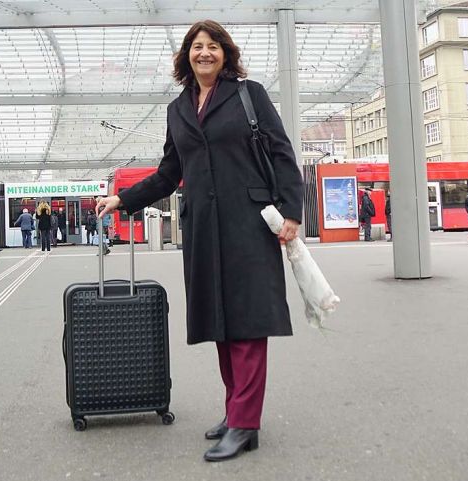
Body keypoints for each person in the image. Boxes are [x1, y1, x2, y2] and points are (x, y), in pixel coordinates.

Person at [95, 20, 304, 462]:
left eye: (212, 46)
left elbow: (282, 152)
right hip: (204, 228)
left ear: (225, 54)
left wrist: (291, 211)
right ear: (186, 56)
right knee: (221, 321)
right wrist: (123, 199)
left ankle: (245, 423)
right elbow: (169, 173)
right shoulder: (178, 109)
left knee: (248, 322)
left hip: (249, 223)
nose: (204, 52)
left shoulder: (249, 94)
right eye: (196, 46)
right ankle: (237, 413)